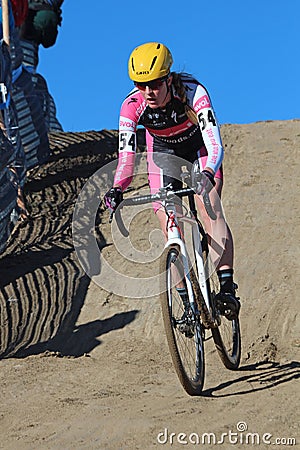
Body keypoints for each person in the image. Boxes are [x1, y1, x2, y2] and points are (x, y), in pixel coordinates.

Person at [104, 42, 240, 318]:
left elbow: (214, 144)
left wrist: (207, 173)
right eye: (140, 85)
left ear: (168, 78)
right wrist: (118, 187)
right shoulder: (131, 106)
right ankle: (187, 303)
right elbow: (127, 157)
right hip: (164, 155)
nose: (148, 92)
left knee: (209, 207)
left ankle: (226, 288)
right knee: (169, 227)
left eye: (154, 84)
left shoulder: (193, 92)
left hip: (199, 150)